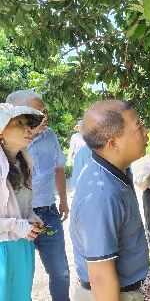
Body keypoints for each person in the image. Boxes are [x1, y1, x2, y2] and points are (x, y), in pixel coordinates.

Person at [70, 100, 150, 301]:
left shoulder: (113, 168)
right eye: (139, 127)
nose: (146, 131)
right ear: (113, 143)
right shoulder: (101, 195)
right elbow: (101, 278)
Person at [6, 90, 70, 301]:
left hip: (43, 215)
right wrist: (18, 225)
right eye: (37, 112)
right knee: (14, 281)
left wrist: (63, 200)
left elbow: (58, 168)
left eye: (44, 110)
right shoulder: (6, 155)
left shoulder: (43, 140)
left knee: (59, 272)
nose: (44, 116)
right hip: (14, 227)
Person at [0, 103, 46, 301]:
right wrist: (17, 225)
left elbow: (25, 207)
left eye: (28, 124)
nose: (28, 128)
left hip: (22, 245)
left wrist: (31, 218)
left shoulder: (25, 161)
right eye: (18, 122)